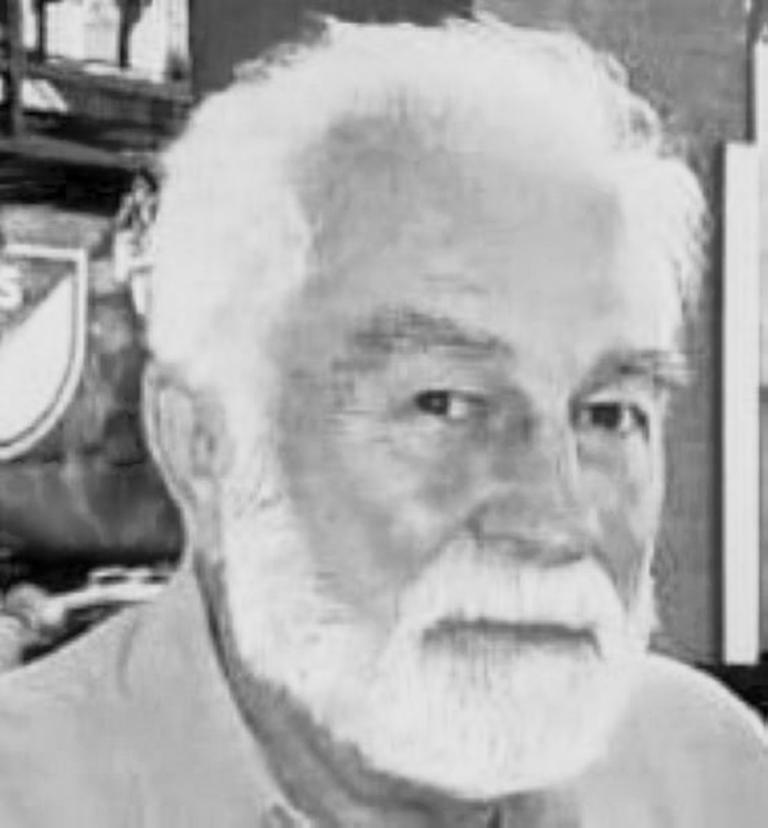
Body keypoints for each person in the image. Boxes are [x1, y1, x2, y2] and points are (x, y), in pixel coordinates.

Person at [0, 17, 766, 827]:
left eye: (609, 415)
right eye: (444, 405)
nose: (556, 521)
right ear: (203, 445)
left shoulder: (714, 776)